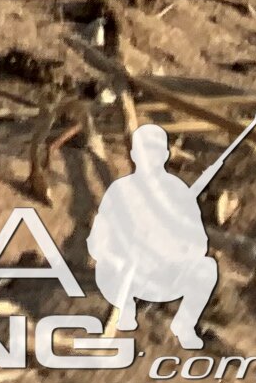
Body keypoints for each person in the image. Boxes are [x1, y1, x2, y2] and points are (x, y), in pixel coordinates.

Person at [90, 123, 221, 349]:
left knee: (206, 268)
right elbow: (98, 241)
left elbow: (197, 242)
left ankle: (186, 325)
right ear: (133, 155)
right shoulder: (120, 189)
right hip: (126, 272)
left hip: (166, 269)